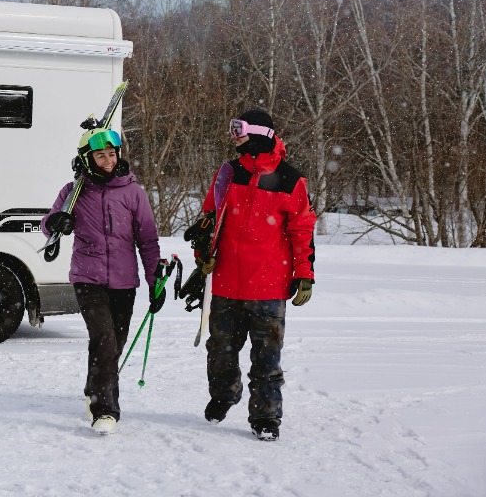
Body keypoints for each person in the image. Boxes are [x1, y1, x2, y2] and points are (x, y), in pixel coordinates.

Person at [191, 108, 316, 442]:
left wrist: (305, 273)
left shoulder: (291, 180)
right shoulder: (229, 173)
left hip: (269, 287)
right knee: (219, 351)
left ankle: (265, 416)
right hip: (227, 282)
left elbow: (302, 229)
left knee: (266, 359)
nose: (234, 136)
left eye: (240, 130)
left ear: (260, 133)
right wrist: (202, 255)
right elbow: (209, 218)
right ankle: (224, 394)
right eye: (233, 129)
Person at [43, 124, 162, 435]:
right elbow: (49, 224)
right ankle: (105, 408)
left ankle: (94, 386)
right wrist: (56, 221)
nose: (108, 160)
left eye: (112, 154)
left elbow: (148, 240)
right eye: (100, 155)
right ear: (86, 158)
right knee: (104, 340)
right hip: (88, 277)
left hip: (124, 281)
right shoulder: (74, 192)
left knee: (114, 345)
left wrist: (155, 280)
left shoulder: (133, 193)